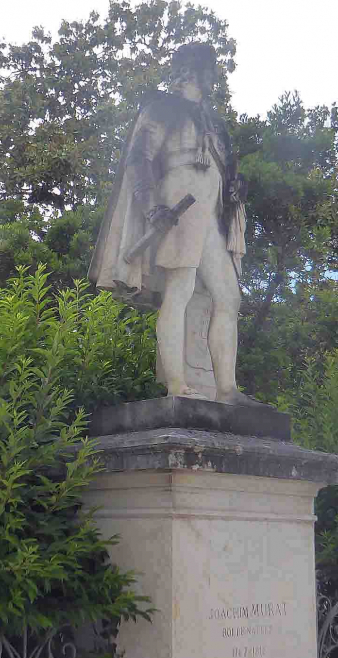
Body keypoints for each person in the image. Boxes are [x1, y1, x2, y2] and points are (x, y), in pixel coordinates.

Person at [89, 42, 261, 406]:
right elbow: (139, 160)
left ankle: (227, 390)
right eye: (209, 68)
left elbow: (227, 172)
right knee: (179, 290)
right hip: (179, 200)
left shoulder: (215, 122)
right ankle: (177, 385)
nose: (214, 77)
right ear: (193, 70)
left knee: (228, 297)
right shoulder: (161, 107)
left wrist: (236, 186)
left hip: (210, 213)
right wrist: (153, 208)